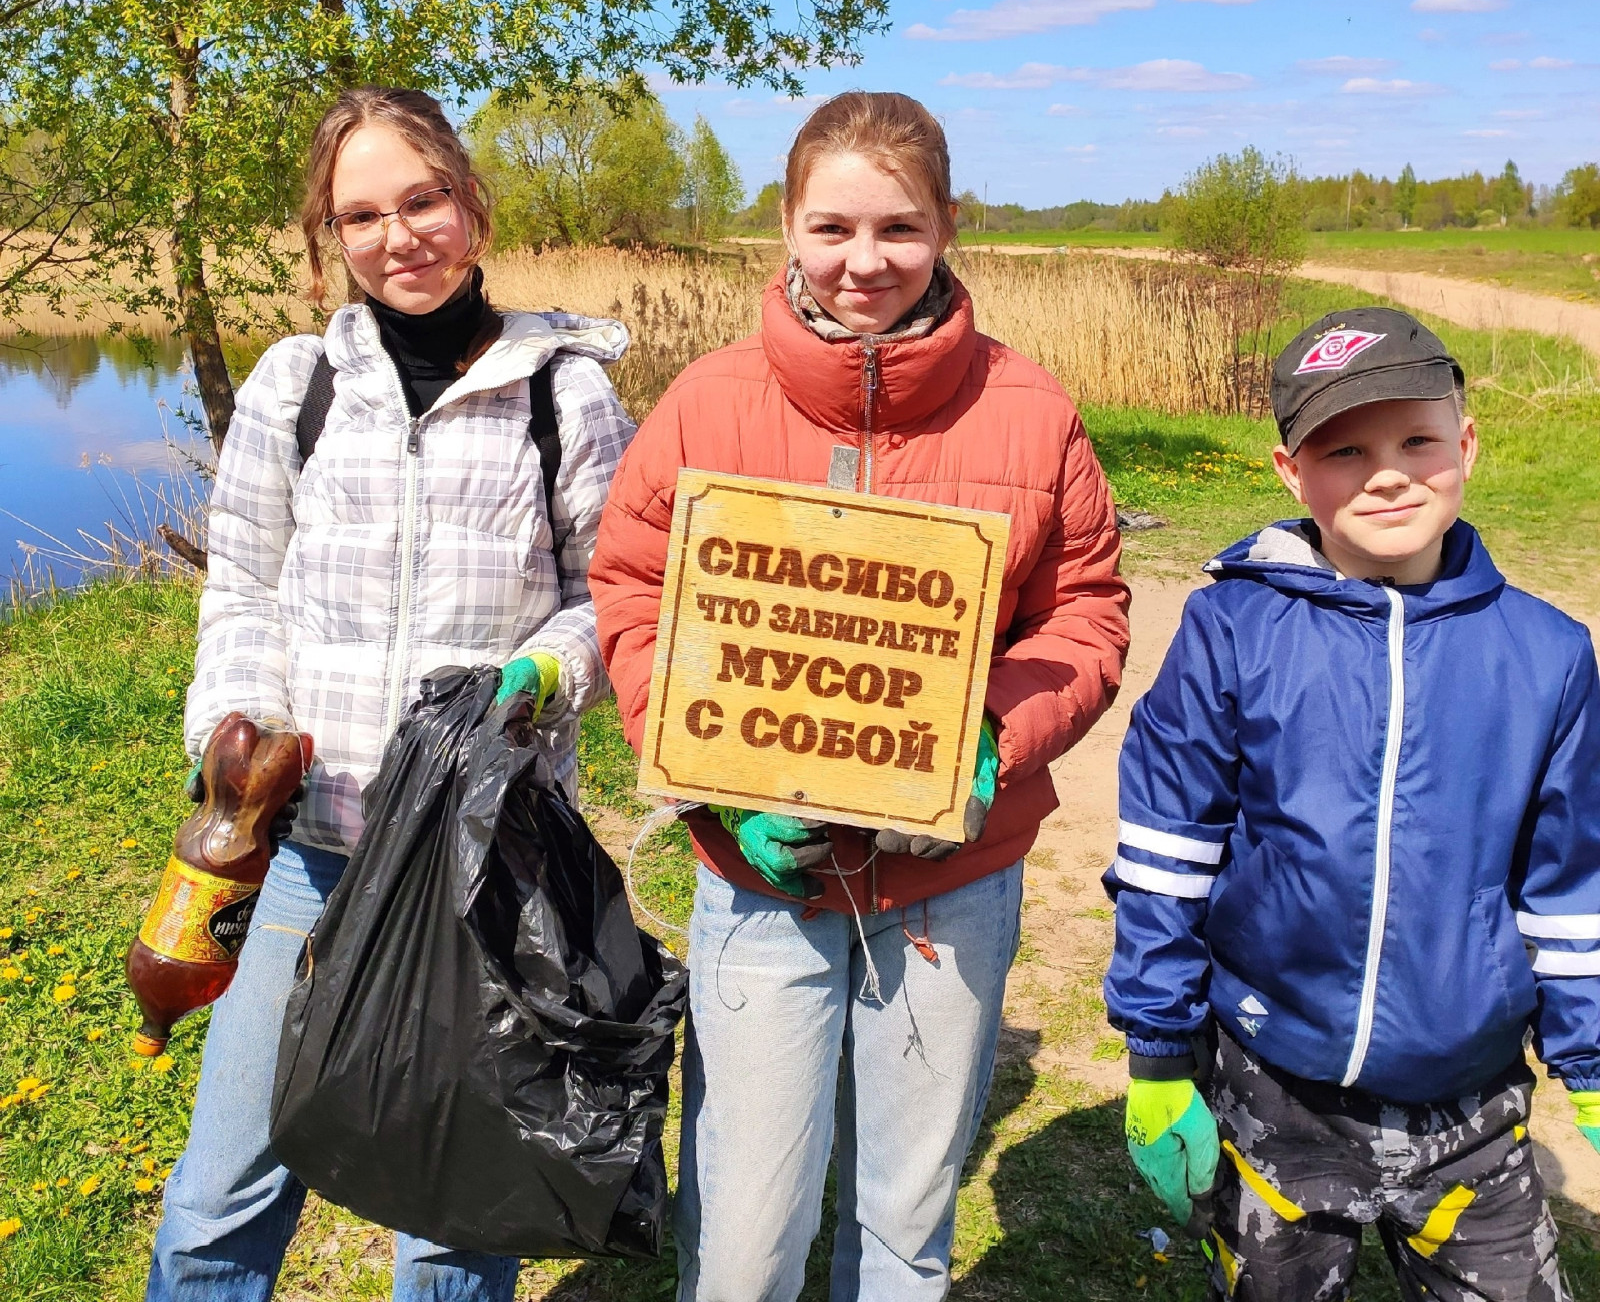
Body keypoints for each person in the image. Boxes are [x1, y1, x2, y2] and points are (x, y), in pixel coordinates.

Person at [589, 90, 1130, 1301]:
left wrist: (994, 735)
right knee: (742, 1235)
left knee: (902, 1224)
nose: (863, 261)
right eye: (830, 228)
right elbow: (631, 592)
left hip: (949, 878)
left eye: (897, 228)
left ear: (948, 226)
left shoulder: (1031, 409)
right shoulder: (708, 402)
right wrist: (712, 788)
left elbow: (1085, 610)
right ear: (784, 226)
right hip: (756, 878)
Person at [146, 86, 636, 1302]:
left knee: (452, 1206)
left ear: (470, 204)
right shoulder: (293, 386)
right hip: (313, 849)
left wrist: (545, 674)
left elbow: (615, 594)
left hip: (482, 864)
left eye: (422, 200)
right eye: (361, 214)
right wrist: (235, 723)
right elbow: (244, 587)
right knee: (221, 1195)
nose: (398, 236)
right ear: (330, 235)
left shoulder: (560, 392)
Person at [1104, 306, 1600, 1302]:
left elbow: (1569, 885)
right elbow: (1166, 850)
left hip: (1469, 1101)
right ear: (1290, 472)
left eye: (1416, 438)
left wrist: (1589, 1060)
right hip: (1273, 1084)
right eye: (1344, 449)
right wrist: (1159, 1053)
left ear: (1464, 444)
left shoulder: (1547, 655)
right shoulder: (1231, 627)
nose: (1386, 471)